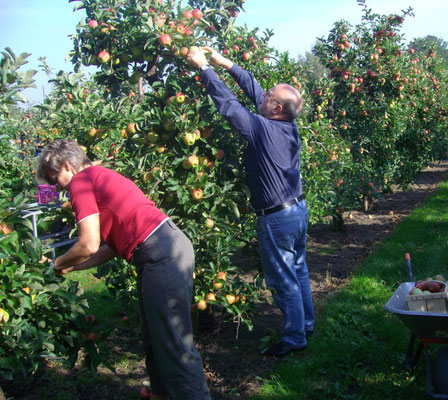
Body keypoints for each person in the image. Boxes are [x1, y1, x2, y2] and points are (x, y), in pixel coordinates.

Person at [36, 139, 210, 400]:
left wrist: (54, 264)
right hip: (164, 248)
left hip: (160, 254)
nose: (57, 187)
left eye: (54, 178)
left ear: (67, 166)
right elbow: (110, 247)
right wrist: (71, 268)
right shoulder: (99, 176)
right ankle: (162, 395)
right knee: (155, 337)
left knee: (174, 343)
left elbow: (88, 243)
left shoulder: (81, 181)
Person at [185, 46, 315, 357]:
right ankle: (306, 324)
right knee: (299, 271)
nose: (263, 97)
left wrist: (205, 69)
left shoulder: (261, 129)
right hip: (297, 210)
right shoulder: (287, 124)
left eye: (270, 97)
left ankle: (295, 339)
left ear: (277, 109)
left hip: (277, 219)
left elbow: (230, 107)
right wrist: (225, 63)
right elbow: (253, 90)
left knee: (284, 281)